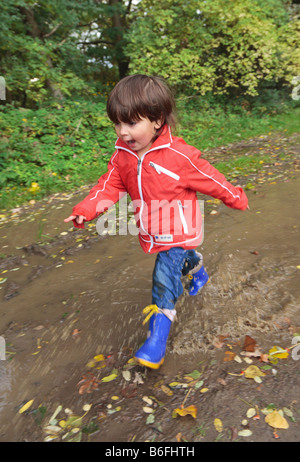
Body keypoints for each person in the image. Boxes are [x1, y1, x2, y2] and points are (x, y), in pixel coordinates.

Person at [64, 74, 248, 369]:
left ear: (158, 121)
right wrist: (86, 209)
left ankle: (156, 342)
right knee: (179, 260)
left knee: (164, 279)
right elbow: (109, 185)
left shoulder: (179, 156)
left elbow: (211, 179)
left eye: (132, 123)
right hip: (152, 228)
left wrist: (235, 197)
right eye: (117, 123)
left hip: (179, 229)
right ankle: (198, 272)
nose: (123, 132)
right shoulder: (123, 155)